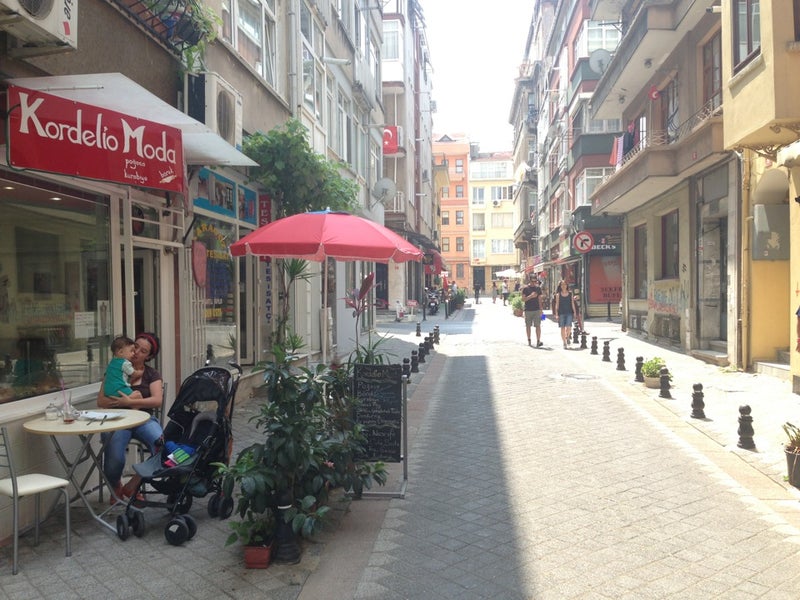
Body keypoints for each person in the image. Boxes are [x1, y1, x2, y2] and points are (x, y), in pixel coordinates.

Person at [98, 332, 164, 502]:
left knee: (163, 446)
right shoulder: (114, 370)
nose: (136, 352)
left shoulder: (151, 374)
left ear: (149, 357)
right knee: (115, 457)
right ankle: (115, 486)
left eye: (143, 351)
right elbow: (101, 401)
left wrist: (131, 402)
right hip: (118, 419)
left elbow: (157, 400)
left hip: (143, 419)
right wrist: (124, 402)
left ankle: (133, 485)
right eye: (135, 347)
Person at [103, 336, 142, 400]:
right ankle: (130, 404)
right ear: (121, 352)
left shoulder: (112, 362)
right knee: (138, 395)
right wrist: (141, 372)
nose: (134, 353)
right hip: (119, 389)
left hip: (108, 391)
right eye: (131, 351)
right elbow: (134, 374)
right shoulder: (125, 363)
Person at [553, 280, 578, 349]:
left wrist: (574, 312)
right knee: (562, 328)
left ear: (567, 285)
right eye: (562, 285)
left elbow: (572, 303)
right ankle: (564, 342)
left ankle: (567, 336)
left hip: (569, 312)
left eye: (565, 284)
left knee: (569, 327)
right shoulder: (558, 295)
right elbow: (557, 305)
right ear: (560, 286)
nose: (563, 286)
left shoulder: (570, 294)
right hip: (561, 313)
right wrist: (556, 314)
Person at [522, 277, 544, 347]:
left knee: (538, 325)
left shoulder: (538, 288)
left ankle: (538, 341)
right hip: (528, 310)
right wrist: (531, 296)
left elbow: (540, 299)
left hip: (536, 310)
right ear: (530, 281)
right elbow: (523, 299)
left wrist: (541, 309)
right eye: (532, 281)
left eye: (535, 281)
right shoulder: (525, 289)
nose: (534, 283)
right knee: (528, 326)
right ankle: (529, 340)